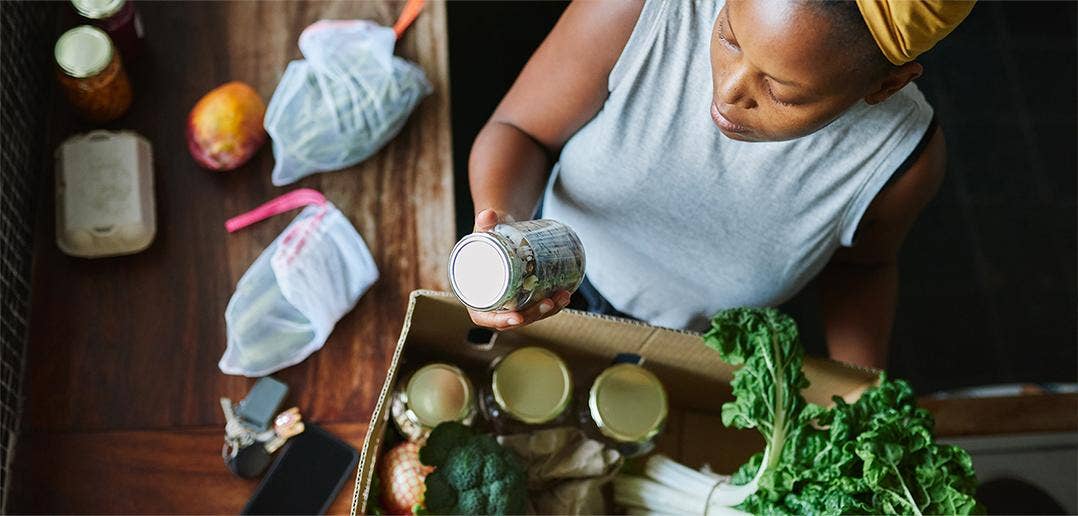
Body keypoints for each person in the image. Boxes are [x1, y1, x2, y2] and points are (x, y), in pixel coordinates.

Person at [465, 0, 974, 369]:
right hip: (542, 280)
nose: (727, 93)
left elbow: (863, 266)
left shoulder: (901, 162)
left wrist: (860, 392)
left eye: (780, 91)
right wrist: (503, 229)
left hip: (686, 355)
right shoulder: (647, 9)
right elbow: (519, 131)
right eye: (728, 36)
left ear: (887, 86)